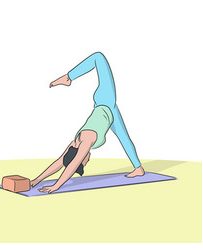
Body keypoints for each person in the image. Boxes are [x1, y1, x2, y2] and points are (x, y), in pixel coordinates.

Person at [31, 52, 145, 193]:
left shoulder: (86, 141)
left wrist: (56, 186)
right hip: (111, 114)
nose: (87, 162)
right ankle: (138, 168)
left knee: (99, 58)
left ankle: (68, 78)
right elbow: (60, 162)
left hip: (105, 100)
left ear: (82, 156)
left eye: (84, 163)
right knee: (124, 138)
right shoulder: (75, 143)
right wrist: (36, 180)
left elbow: (72, 165)